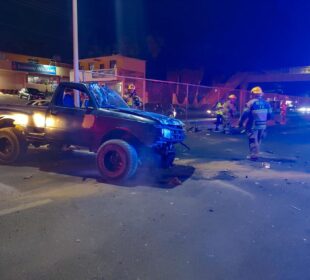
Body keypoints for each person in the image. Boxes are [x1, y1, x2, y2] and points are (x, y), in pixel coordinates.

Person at [239, 86, 272, 160]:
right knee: (259, 139)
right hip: (263, 125)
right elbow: (270, 115)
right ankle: (256, 153)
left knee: (252, 139)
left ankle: (254, 155)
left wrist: (240, 123)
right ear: (261, 94)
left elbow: (245, 114)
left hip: (253, 124)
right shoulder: (266, 103)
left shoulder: (251, 103)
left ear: (253, 94)